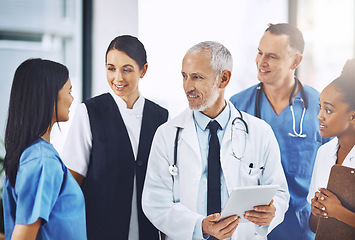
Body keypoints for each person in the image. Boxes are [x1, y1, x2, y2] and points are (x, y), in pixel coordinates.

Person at [142, 41, 289, 240]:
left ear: (224, 79)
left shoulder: (260, 132)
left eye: (197, 77)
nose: (187, 86)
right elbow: (155, 202)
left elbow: (279, 193)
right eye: (184, 76)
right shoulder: (167, 135)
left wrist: (272, 212)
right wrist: (199, 226)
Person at [61, 35, 168, 239]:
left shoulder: (161, 117)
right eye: (111, 68)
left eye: (127, 69)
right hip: (99, 230)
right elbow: (71, 184)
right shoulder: (89, 112)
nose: (118, 78)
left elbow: (166, 185)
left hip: (147, 231)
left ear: (143, 70)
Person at [229, 23, 329, 240]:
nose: (261, 62)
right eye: (259, 52)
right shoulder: (236, 107)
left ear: (296, 61)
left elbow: (335, 164)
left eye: (272, 56)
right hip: (250, 227)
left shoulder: (320, 107)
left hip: (301, 229)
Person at [2, 58, 86, 239]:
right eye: (69, 91)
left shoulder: (31, 155)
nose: (72, 99)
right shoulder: (42, 161)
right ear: (49, 95)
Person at [307, 58, 355, 232]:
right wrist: (316, 210)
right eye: (319, 108)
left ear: (353, 117)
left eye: (328, 110)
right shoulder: (324, 153)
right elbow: (314, 227)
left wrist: (338, 211)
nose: (319, 116)